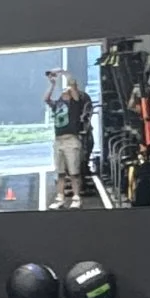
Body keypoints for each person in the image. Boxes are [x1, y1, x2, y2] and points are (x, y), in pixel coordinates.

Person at [46, 72, 92, 209]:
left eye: (67, 91)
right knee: (60, 172)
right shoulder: (57, 105)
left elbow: (73, 85)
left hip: (71, 139)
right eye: (64, 91)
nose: (65, 92)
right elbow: (46, 98)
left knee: (74, 172)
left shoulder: (74, 105)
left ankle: (76, 197)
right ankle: (60, 197)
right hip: (58, 140)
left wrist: (63, 72)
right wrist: (52, 84)